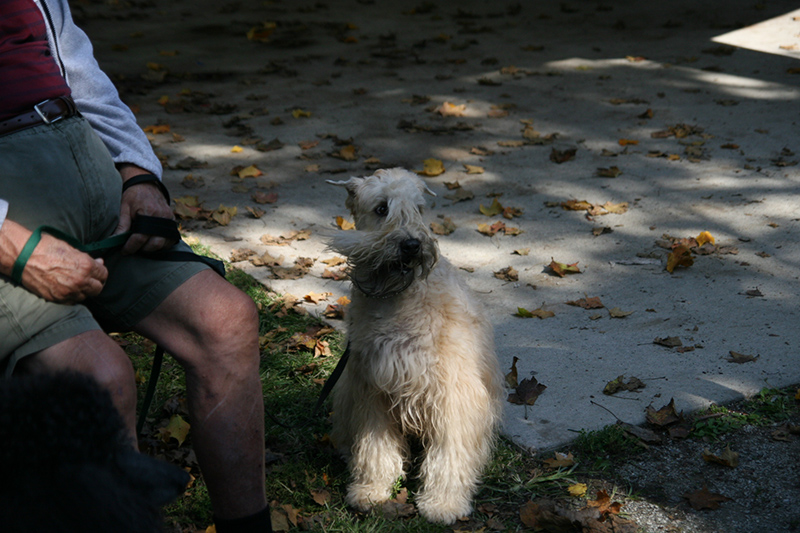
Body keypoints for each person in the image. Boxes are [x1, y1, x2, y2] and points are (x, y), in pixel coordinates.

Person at [0, 1, 271, 531]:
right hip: (11, 225)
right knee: (101, 377)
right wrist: (16, 247)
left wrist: (137, 171)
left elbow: (79, 73)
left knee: (226, 321)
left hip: (86, 181)